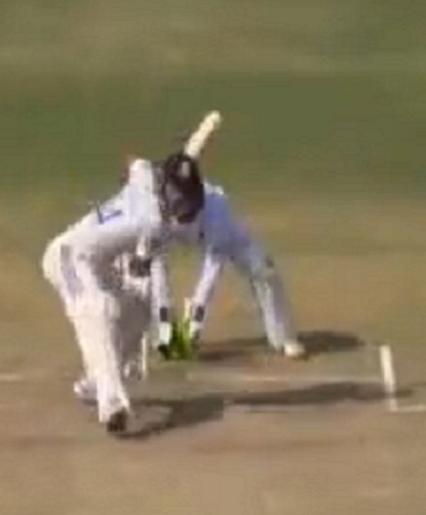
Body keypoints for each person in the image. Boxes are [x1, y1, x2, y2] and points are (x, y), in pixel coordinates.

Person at [41, 153, 202, 434]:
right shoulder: (153, 224)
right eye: (178, 195)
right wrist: (146, 246)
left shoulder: (145, 174)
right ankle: (112, 405)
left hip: (98, 263)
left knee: (138, 308)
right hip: (67, 255)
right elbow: (140, 266)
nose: (180, 203)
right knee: (101, 309)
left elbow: (133, 160)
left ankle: (96, 380)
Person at [148, 179, 306, 360]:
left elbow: (211, 271)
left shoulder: (217, 211)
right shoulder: (153, 211)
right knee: (140, 270)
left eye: (188, 212)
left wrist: (196, 321)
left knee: (265, 271)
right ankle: (161, 338)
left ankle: (284, 338)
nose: (183, 216)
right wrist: (164, 319)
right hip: (169, 232)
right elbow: (157, 266)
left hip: (230, 237)